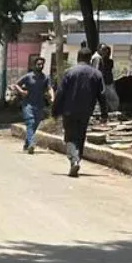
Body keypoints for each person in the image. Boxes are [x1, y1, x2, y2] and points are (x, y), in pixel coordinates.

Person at [54, 47, 108, 177]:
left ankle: (74, 160)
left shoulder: (70, 72)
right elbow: (102, 95)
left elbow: (60, 93)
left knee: (70, 137)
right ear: (90, 59)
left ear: (78, 57)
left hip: (69, 110)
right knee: (80, 136)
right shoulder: (97, 74)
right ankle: (77, 158)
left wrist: (55, 110)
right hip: (86, 111)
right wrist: (104, 114)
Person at [12, 54, 51, 154]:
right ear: (34, 66)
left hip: (39, 105)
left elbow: (49, 88)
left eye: (42, 64)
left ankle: (27, 145)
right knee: (30, 123)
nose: (40, 66)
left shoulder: (45, 78)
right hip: (28, 104)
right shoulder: (28, 77)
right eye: (38, 64)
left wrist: (52, 97)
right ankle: (32, 144)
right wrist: (21, 92)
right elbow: (16, 84)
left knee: (34, 126)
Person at [94, 44, 118, 120]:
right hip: (104, 83)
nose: (106, 52)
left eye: (107, 51)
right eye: (104, 50)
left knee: (113, 100)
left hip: (109, 83)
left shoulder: (109, 61)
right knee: (104, 99)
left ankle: (110, 112)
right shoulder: (98, 59)